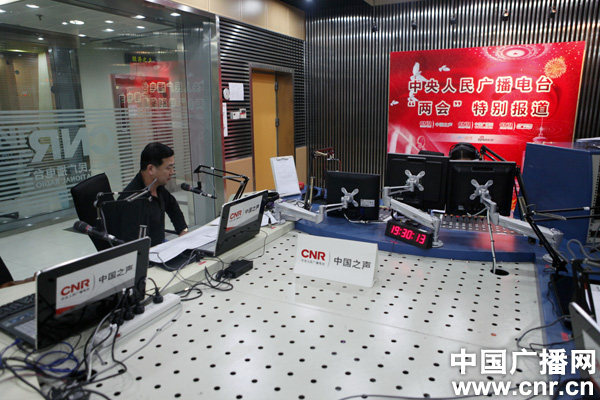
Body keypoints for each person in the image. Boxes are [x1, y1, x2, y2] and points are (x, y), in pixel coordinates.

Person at [116, 142, 188, 247]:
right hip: (147, 253)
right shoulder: (131, 202)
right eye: (168, 168)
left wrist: (183, 230)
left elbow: (172, 207)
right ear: (150, 169)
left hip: (160, 245)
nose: (172, 172)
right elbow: (131, 247)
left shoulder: (157, 187)